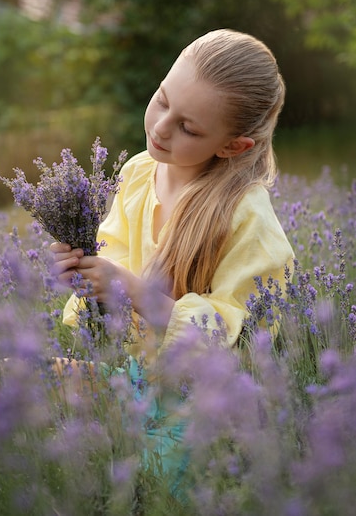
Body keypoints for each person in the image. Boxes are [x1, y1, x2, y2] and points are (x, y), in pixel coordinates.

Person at [50, 28, 294, 496]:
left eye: (189, 127)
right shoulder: (140, 172)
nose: (161, 127)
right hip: (132, 381)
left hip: (203, 407)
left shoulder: (246, 219)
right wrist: (85, 277)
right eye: (162, 100)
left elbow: (235, 333)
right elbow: (113, 257)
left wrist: (137, 292)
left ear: (233, 146)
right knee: (8, 385)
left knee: (144, 481)